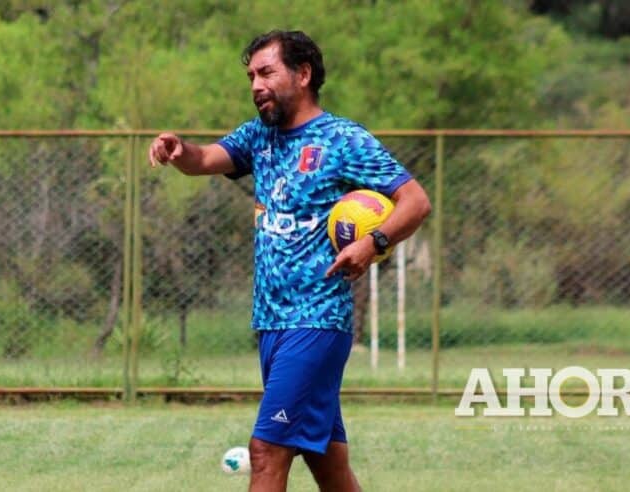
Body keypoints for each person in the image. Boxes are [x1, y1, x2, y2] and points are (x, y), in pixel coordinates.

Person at [148, 30, 431, 492]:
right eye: (251, 76)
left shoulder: (341, 138)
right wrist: (181, 152)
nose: (256, 84)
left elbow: (415, 201)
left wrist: (372, 242)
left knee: (266, 452)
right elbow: (205, 159)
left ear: (302, 75)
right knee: (328, 464)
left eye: (266, 72)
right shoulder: (259, 136)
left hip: (317, 320)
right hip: (273, 323)